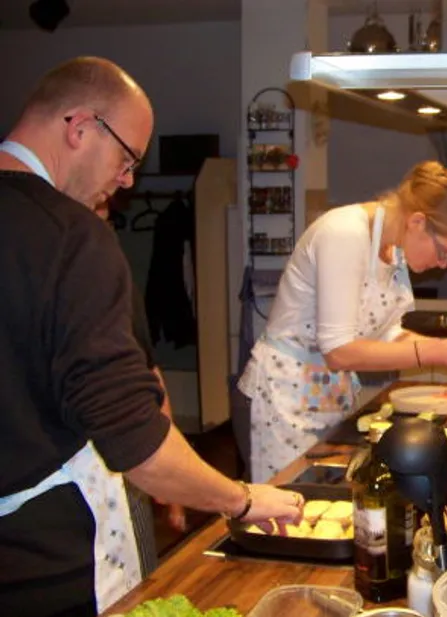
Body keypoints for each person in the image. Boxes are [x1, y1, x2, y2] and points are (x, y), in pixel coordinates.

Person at [0, 56, 303, 617]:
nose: (128, 180)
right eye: (126, 158)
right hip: (50, 563)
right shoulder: (73, 237)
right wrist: (240, 499)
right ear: (79, 127)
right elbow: (132, 439)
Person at [238, 161, 447, 482]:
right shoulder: (344, 234)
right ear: (417, 221)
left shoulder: (392, 249)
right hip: (285, 399)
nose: (444, 264)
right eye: (444, 251)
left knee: (330, 507)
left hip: (328, 396)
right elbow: (339, 351)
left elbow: (386, 335)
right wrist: (436, 352)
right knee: (287, 512)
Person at [96, 198, 187, 577]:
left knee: (140, 584)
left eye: (104, 216)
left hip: (124, 465)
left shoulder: (112, 278)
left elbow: (150, 374)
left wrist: (175, 483)